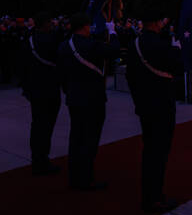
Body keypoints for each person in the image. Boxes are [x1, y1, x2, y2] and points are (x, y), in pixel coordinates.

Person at [126, 14, 184, 212]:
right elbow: (179, 67)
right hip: (162, 105)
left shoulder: (134, 44)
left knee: (149, 150)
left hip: (144, 105)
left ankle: (149, 194)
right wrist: (177, 49)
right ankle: (155, 198)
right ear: (158, 23)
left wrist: (138, 102)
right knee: (158, 153)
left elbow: (130, 76)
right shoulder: (162, 45)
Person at [58, 13, 119, 190]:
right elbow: (114, 51)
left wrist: (68, 91)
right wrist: (112, 32)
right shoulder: (91, 45)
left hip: (74, 98)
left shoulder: (63, 46)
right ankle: (85, 179)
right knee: (89, 140)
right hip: (93, 99)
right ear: (85, 26)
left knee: (76, 138)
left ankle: (74, 176)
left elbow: (61, 73)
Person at [21, 13, 62, 176]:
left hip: (34, 89)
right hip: (49, 89)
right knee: (46, 127)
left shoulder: (28, 40)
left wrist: (26, 88)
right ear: (46, 24)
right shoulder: (52, 40)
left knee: (37, 125)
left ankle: (37, 158)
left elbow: (22, 65)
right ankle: (42, 160)